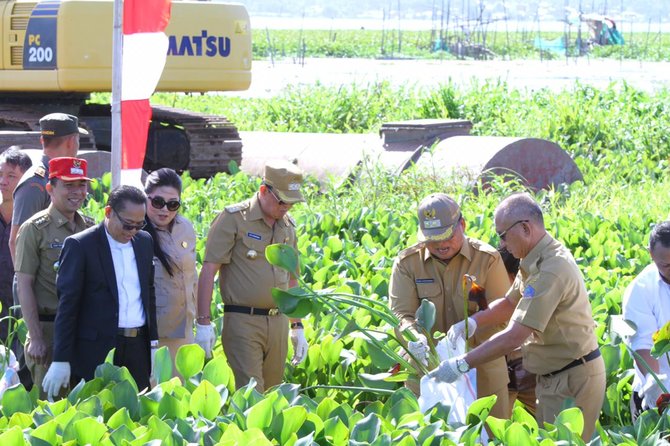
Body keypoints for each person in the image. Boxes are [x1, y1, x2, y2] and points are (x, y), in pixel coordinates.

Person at [433, 192, 605, 441]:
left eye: (503, 235)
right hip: (550, 377)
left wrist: (462, 363)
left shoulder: (551, 269)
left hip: (573, 376)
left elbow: (515, 336)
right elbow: (510, 302)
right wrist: (471, 323)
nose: (501, 244)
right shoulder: (532, 258)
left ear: (525, 228)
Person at [388, 193, 511, 419]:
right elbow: (401, 314)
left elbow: (505, 310)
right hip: (428, 375)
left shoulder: (487, 259)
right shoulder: (407, 263)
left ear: (462, 225)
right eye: (432, 239)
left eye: (447, 236)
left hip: (482, 375)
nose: (441, 244)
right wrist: (415, 337)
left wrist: (473, 324)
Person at [195, 160, 309, 392]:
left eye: (292, 203)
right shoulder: (234, 219)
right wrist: (203, 322)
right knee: (250, 393)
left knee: (273, 393)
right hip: (243, 320)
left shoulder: (288, 226)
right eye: (282, 201)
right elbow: (209, 271)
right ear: (264, 190)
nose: (287, 207)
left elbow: (292, 278)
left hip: (278, 322)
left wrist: (297, 325)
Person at [42, 185, 158, 398]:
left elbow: (148, 293)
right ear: (108, 212)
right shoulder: (80, 245)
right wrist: (61, 358)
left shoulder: (144, 241)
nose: (132, 231)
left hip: (137, 346)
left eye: (139, 225)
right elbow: (68, 306)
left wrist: (154, 344)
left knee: (137, 417)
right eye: (127, 224)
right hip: (96, 349)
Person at [14, 157, 94, 398]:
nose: (77, 192)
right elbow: (24, 284)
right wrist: (36, 337)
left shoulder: (89, 227)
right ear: (50, 188)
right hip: (48, 329)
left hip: (83, 329)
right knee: (49, 405)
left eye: (81, 184)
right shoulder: (34, 229)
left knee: (84, 404)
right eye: (69, 185)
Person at [9, 113, 86, 262]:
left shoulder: (54, 177)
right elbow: (16, 240)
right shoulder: (35, 183)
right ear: (71, 141)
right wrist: (26, 284)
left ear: (42, 140)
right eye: (78, 140)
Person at [143, 168, 197, 367]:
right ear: (145, 197)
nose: (165, 209)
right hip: (152, 335)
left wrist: (203, 322)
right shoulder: (134, 230)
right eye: (158, 202)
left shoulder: (186, 228)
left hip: (184, 330)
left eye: (173, 204)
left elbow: (193, 278)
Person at [622, 221, 670, 417]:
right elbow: (643, 344)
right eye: (666, 265)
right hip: (659, 396)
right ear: (650, 253)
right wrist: (654, 380)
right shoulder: (640, 290)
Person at [498, 246, 537, 416]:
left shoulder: (535, 291)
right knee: (494, 428)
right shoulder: (487, 295)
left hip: (529, 370)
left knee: (553, 421)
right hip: (501, 371)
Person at [0, 148, 32, 341]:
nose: (3, 181)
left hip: (21, 310)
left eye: (11, 176)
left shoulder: (33, 220)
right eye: (0, 174)